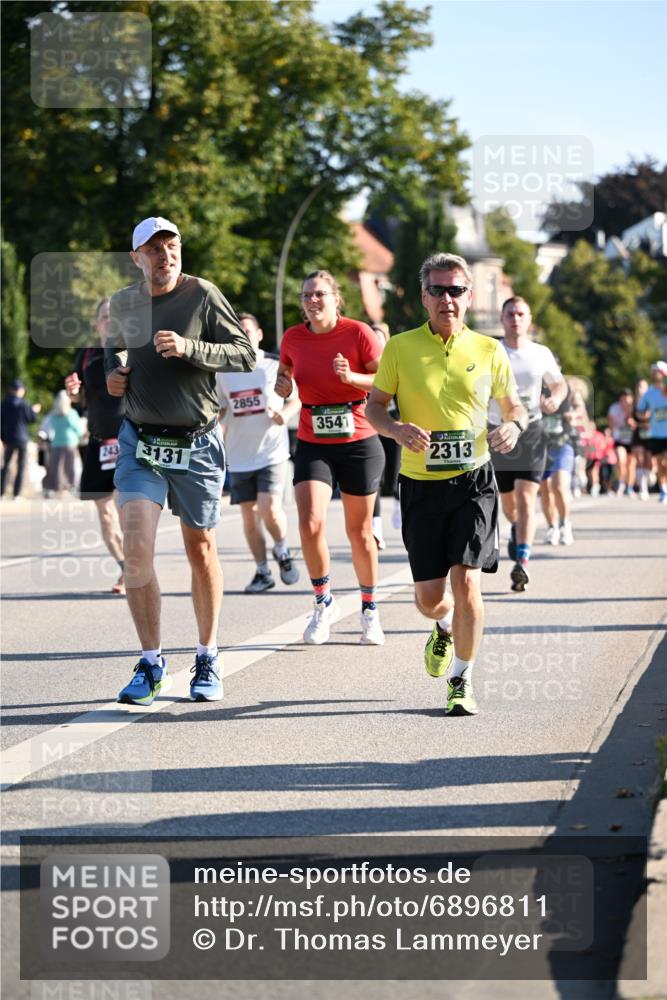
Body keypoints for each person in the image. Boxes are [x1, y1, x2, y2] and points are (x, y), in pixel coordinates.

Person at [366, 252, 526, 716]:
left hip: (474, 481)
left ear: (469, 295)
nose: (447, 299)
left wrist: (513, 426)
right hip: (420, 484)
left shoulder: (488, 349)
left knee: (468, 581)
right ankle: (442, 626)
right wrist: (395, 429)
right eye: (437, 290)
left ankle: (461, 679)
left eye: (456, 290)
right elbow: (374, 406)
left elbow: (514, 407)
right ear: (424, 296)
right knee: (431, 600)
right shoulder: (400, 347)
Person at [104, 216, 255, 706]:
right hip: (141, 443)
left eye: (171, 246)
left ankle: (207, 655)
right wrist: (114, 374)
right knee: (136, 551)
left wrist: (190, 347)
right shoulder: (124, 303)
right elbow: (113, 351)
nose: (165, 256)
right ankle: (151, 663)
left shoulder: (203, 295)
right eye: (154, 249)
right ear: (137, 258)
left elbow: (244, 354)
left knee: (201, 549)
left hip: (197, 442)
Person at [275, 269, 386, 646]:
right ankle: (323, 602)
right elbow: (285, 375)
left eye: (319, 294)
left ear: (336, 299)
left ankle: (369, 609)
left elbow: (385, 380)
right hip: (313, 439)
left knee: (360, 532)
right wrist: (282, 386)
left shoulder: (358, 332)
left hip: (358, 439)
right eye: (306, 295)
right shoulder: (293, 337)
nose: (312, 300)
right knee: (309, 523)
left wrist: (351, 377)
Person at [216, 312, 301, 593]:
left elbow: (296, 399)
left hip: (271, 452)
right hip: (239, 455)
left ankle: (282, 550)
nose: (243, 336)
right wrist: (217, 418)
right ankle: (263, 571)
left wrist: (283, 415)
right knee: (249, 516)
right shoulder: (223, 371)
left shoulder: (274, 365)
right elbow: (220, 408)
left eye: (248, 331)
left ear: (259, 335)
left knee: (269, 508)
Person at [488, 297, 567, 592]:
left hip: (531, 429)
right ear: (502, 318)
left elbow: (559, 383)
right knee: (509, 504)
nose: (516, 319)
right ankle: (516, 530)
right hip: (498, 430)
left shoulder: (540, 353)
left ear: (530, 319)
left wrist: (555, 398)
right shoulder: (492, 350)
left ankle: (522, 562)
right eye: (510, 314)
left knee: (526, 497)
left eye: (521, 314)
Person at [64, 299, 126, 593]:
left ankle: (138, 567)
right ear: (97, 323)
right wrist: (73, 393)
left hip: (128, 441)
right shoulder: (87, 355)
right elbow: (79, 399)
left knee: (126, 511)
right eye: (104, 316)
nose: (109, 320)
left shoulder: (130, 351)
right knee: (105, 515)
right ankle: (126, 568)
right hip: (99, 443)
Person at [539, 384, 577, 545]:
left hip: (562, 444)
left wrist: (571, 414)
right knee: (545, 489)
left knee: (559, 485)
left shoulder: (563, 388)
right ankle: (552, 527)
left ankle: (565, 524)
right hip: (541, 447)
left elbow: (574, 411)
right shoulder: (534, 388)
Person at [1, 379, 41, 499]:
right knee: (21, 466)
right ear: (21, 390)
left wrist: (2, 438)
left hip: (8, 439)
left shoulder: (4, 404)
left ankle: (1, 493)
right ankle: (16, 494)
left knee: (6, 466)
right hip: (22, 439)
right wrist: (34, 411)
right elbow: (31, 419)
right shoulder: (24, 404)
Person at [43, 390, 84, 496]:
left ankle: (57, 488)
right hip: (70, 443)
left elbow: (46, 429)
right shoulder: (72, 413)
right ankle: (71, 487)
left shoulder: (53, 414)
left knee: (57, 467)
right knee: (70, 466)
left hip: (56, 443)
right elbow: (79, 430)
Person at [636, 361, 667, 503]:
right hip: (656, 433)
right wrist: (644, 416)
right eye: (653, 371)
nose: (654, 373)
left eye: (657, 371)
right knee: (660, 463)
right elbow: (640, 411)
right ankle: (664, 490)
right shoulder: (648, 393)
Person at [607, 388, 637, 497]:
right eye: (623, 399)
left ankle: (630, 487)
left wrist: (633, 423)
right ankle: (621, 483)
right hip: (619, 439)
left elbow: (641, 423)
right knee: (621, 460)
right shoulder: (614, 408)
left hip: (633, 440)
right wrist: (612, 431)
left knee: (631, 465)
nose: (625, 402)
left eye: (627, 399)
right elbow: (610, 421)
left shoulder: (635, 408)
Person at [631, 378, 651, 501]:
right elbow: (629, 417)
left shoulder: (651, 401)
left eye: (642, 386)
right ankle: (643, 489)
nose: (640, 389)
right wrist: (630, 421)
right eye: (638, 386)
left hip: (650, 434)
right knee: (639, 459)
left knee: (648, 461)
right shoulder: (633, 403)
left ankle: (648, 480)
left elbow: (647, 416)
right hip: (637, 434)